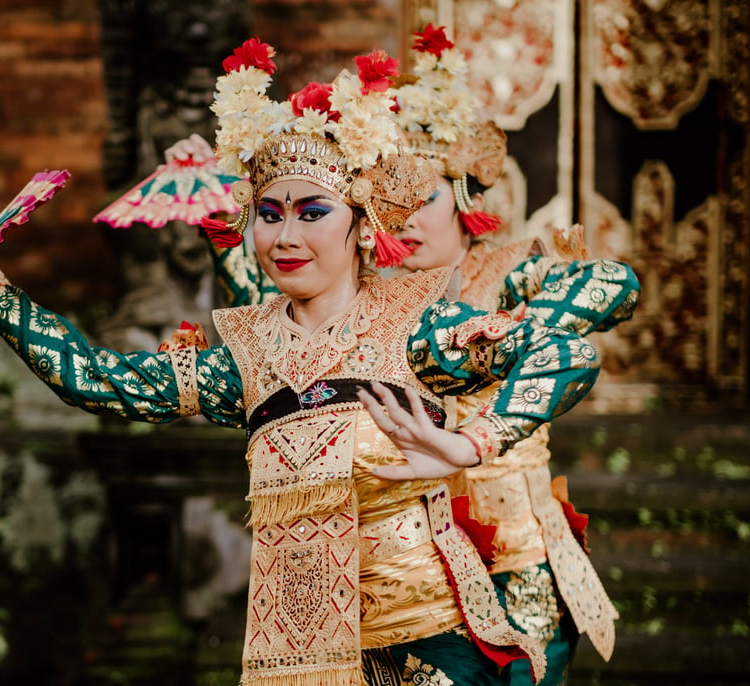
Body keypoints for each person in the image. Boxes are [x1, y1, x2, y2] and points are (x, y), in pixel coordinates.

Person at [0, 38, 634, 686]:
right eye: (269, 213)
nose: (285, 236)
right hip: (299, 663)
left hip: (430, 652)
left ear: (362, 226)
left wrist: (464, 441)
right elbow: (98, 381)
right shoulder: (244, 356)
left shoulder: (418, 331)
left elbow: (562, 353)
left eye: (312, 212)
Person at [179, 26, 636, 686]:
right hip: (411, 569)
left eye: (423, 199)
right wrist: (216, 211)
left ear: (465, 197)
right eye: (389, 204)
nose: (405, 219)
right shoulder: (379, 302)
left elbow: (612, 286)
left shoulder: (507, 273)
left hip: (511, 552)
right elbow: (270, 312)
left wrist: (491, 333)